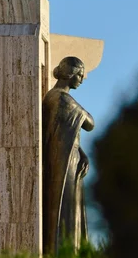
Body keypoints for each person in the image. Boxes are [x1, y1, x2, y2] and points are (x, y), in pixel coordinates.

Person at [42, 56, 95, 255]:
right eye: (79, 74)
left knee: (71, 210)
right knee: (66, 209)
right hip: (63, 163)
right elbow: (90, 123)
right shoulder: (62, 99)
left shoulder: (53, 98)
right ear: (70, 73)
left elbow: (66, 133)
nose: (81, 79)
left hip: (70, 158)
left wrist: (81, 152)